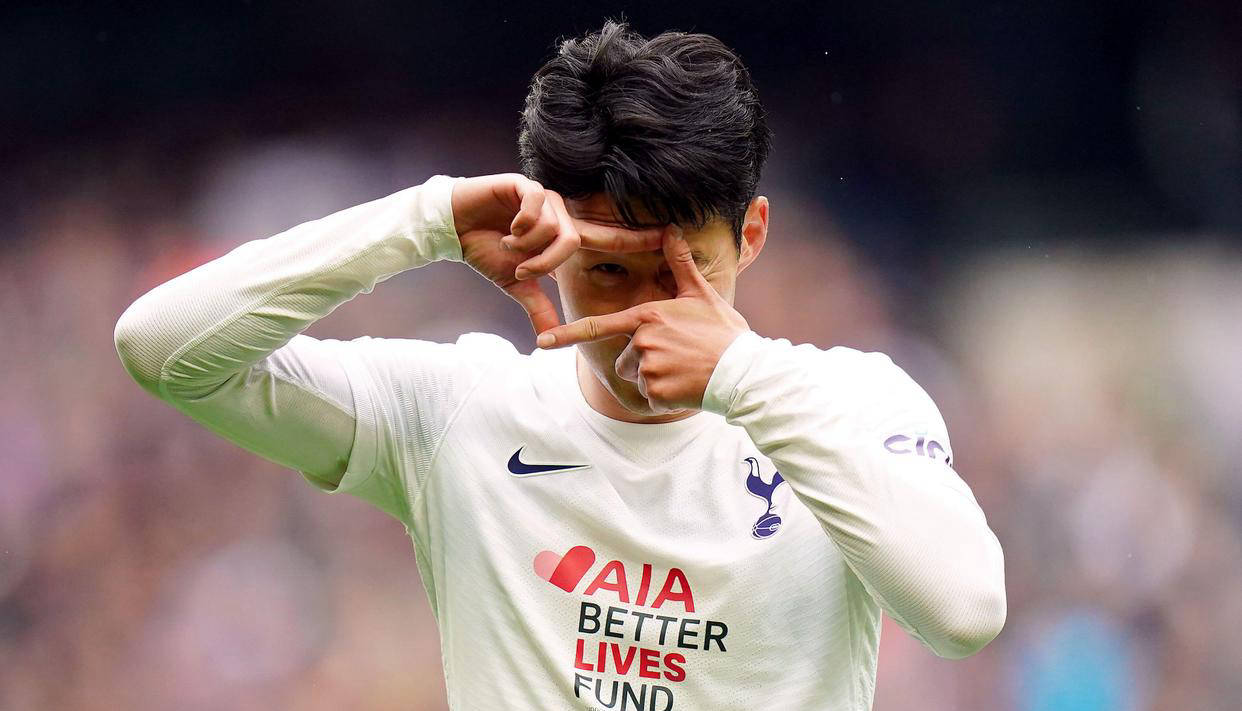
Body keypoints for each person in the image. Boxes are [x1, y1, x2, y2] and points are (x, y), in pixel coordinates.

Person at [114, 21, 1005, 711]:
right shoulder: (457, 411)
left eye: (687, 271)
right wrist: (425, 222)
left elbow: (964, 612)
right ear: (548, 245)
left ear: (754, 235)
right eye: (609, 270)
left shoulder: (852, 402)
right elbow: (161, 348)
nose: (648, 310)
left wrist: (738, 374)